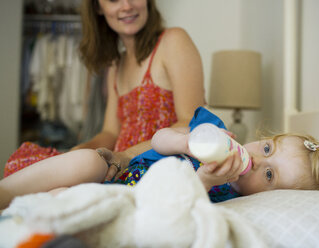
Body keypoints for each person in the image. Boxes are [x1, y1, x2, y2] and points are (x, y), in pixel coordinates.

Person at [0, 107, 319, 209]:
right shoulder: (215, 130)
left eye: (269, 176)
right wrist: (188, 141)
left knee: (62, 202)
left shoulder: (223, 196)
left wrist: (204, 179)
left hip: (123, 200)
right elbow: (159, 138)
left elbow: (179, 201)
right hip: (116, 174)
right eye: (267, 149)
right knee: (85, 162)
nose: (257, 159)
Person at [4, 0, 205, 178]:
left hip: (159, 164)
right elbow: (110, 132)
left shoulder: (173, 40)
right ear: (98, 7)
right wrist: (79, 150)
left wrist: (126, 155)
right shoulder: (116, 65)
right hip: (118, 165)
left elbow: (190, 121)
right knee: (24, 164)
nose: (126, 6)